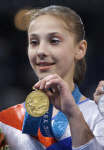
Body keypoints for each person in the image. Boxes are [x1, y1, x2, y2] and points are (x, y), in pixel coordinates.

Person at [0, 5, 104, 150]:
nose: (41, 51)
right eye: (34, 42)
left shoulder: (98, 116)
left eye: (54, 41)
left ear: (80, 49)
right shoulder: (7, 121)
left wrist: (74, 115)